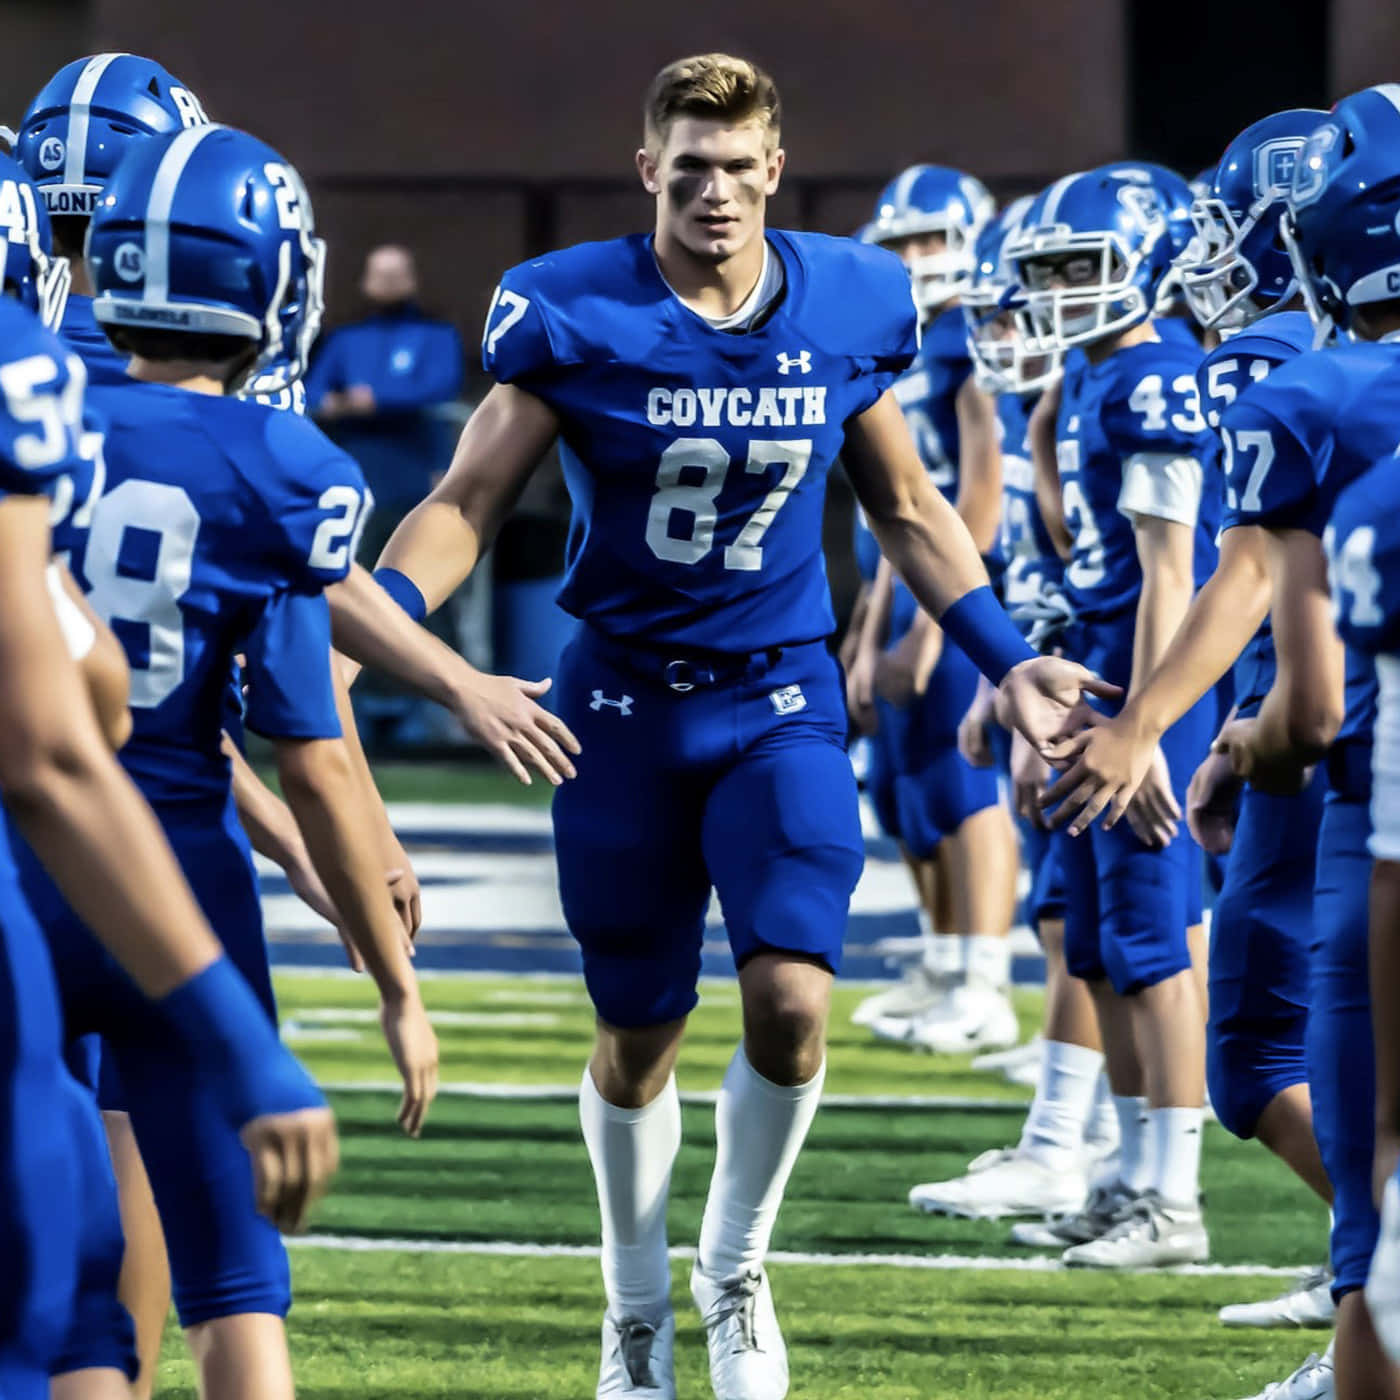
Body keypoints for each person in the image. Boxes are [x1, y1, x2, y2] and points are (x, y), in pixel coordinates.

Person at [368, 51, 1112, 1400]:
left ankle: (737, 1264)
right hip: (621, 706)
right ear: (648, 171)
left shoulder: (847, 301)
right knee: (636, 1033)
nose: (714, 192)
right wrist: (395, 631)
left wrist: (1004, 660)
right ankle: (634, 1303)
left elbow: (906, 506)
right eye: (688, 168)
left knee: (790, 1000)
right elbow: (466, 500)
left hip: (778, 693)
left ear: (775, 168)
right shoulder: (575, 308)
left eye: (736, 167)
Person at [12, 124, 440, 1400]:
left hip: (25, 885)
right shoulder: (282, 464)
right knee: (235, 1281)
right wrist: (394, 980)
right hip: (186, 883)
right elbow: (316, 758)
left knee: (67, 1298)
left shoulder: (48, 408)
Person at [1193, 88, 1400, 1400]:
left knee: (1377, 1176)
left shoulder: (1321, 406)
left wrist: (1220, 740)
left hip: (1369, 810)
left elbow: (1314, 708)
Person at [1004, 164, 1217, 1268]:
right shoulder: (1093, 375)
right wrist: (1046, 422)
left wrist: (1145, 727)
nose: (1059, 291)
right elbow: (1075, 541)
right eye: (1047, 273)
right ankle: (1129, 1176)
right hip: (1100, 668)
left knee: (1148, 938)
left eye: (1080, 268)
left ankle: (1172, 1198)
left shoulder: (1155, 375)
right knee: (1096, 945)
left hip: (1148, 683)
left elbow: (1170, 573)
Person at [843, 165, 1023, 1056]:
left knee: (959, 782)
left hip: (964, 591)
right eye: (901, 241)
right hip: (902, 581)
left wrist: (929, 625)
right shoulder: (901, 343)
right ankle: (946, 959)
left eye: (930, 238)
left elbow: (977, 496)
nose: (915, 257)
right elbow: (893, 510)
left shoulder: (974, 337)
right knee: (901, 784)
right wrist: (869, 624)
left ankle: (985, 979)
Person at [306, 244, 465, 543]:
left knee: (417, 557)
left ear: (412, 279)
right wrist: (335, 402)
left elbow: (442, 385)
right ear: (365, 281)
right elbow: (312, 390)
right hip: (356, 466)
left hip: (418, 465)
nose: (388, 282)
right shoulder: (346, 338)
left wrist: (376, 399)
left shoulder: (436, 334)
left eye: (396, 274)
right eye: (380, 275)